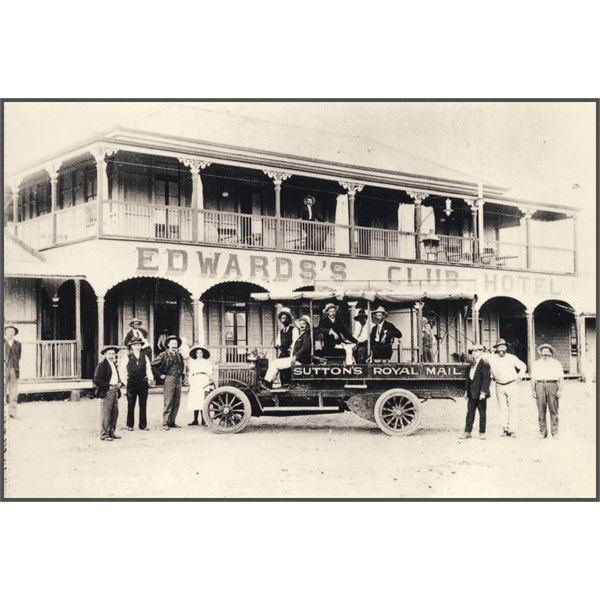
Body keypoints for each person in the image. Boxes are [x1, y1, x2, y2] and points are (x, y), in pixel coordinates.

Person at [487, 338, 527, 437]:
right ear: (496, 349)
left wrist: (520, 376)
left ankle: (512, 429)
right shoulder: (491, 358)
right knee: (502, 408)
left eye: (503, 347)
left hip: (511, 384)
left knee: (513, 407)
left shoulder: (512, 357)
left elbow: (523, 366)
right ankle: (505, 428)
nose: (501, 349)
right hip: (499, 385)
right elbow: (482, 357)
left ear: (506, 347)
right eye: (498, 347)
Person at [262, 316, 312, 389]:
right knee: (276, 362)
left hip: (301, 361)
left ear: (307, 325)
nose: (301, 325)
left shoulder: (307, 334)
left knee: (275, 363)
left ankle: (267, 383)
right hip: (297, 359)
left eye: (304, 324)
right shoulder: (302, 335)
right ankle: (268, 382)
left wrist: (295, 356)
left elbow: (305, 347)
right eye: (300, 324)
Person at [119, 337, 154, 431]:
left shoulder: (144, 356)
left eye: (138, 345)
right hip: (132, 383)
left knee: (143, 404)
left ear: (141, 346)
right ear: (132, 347)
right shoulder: (127, 357)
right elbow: (122, 370)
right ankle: (130, 425)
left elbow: (148, 369)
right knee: (131, 404)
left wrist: (150, 378)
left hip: (142, 382)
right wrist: (125, 381)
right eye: (135, 345)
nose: (137, 347)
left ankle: (143, 425)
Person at [530, 343, 564, 439]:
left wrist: (560, 390)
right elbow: (533, 378)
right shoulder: (537, 363)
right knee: (541, 409)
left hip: (552, 385)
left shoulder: (556, 363)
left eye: (547, 351)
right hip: (539, 385)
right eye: (543, 351)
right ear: (540, 353)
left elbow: (561, 378)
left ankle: (555, 432)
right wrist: (533, 390)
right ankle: (542, 432)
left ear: (550, 353)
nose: (545, 353)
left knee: (553, 409)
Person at [151, 335, 185, 430]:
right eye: (172, 343)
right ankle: (165, 422)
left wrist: (181, 374)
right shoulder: (163, 355)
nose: (174, 345)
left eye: (176, 343)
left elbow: (182, 365)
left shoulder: (179, 355)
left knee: (176, 401)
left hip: (178, 379)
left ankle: (172, 422)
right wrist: (160, 375)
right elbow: (153, 365)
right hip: (169, 378)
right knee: (168, 401)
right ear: (168, 344)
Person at [459, 344, 491, 440]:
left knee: (482, 413)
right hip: (471, 393)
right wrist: (466, 391)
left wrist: (483, 392)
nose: (474, 353)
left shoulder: (485, 364)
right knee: (470, 413)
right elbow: (469, 380)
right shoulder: (471, 365)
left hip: (480, 393)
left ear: (481, 352)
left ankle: (482, 433)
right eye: (473, 351)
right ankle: (467, 432)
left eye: (477, 351)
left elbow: (486, 379)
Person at [93, 345, 123, 441]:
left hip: (115, 390)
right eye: (109, 353)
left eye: (113, 353)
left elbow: (115, 376)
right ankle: (104, 434)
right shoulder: (102, 365)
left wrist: (119, 383)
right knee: (106, 413)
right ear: (105, 354)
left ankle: (111, 432)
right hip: (107, 391)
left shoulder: (113, 364)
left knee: (115, 412)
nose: (111, 355)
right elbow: (97, 379)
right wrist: (107, 386)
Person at [187, 345, 214, 427]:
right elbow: (190, 373)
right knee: (195, 400)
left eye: (200, 353)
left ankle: (203, 420)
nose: (199, 354)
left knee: (203, 400)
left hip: (203, 380)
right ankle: (195, 420)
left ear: (203, 354)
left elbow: (210, 372)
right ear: (196, 354)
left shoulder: (206, 362)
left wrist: (208, 380)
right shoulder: (193, 362)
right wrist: (190, 382)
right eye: (197, 353)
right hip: (195, 380)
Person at [274, 307, 298, 385]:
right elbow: (278, 341)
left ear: (288, 319)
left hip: (291, 351)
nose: (283, 320)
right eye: (282, 318)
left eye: (285, 318)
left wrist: (291, 348)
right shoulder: (281, 331)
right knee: (280, 366)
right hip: (283, 351)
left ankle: (289, 384)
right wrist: (277, 345)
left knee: (289, 368)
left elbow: (295, 340)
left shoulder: (294, 329)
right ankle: (283, 383)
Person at [4, 325, 22, 419]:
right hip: (3, 369)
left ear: (14, 333)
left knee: (13, 391)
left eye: (12, 331)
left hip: (14, 369)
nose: (11, 333)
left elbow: (18, 357)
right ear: (5, 332)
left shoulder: (18, 344)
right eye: (9, 331)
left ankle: (13, 412)